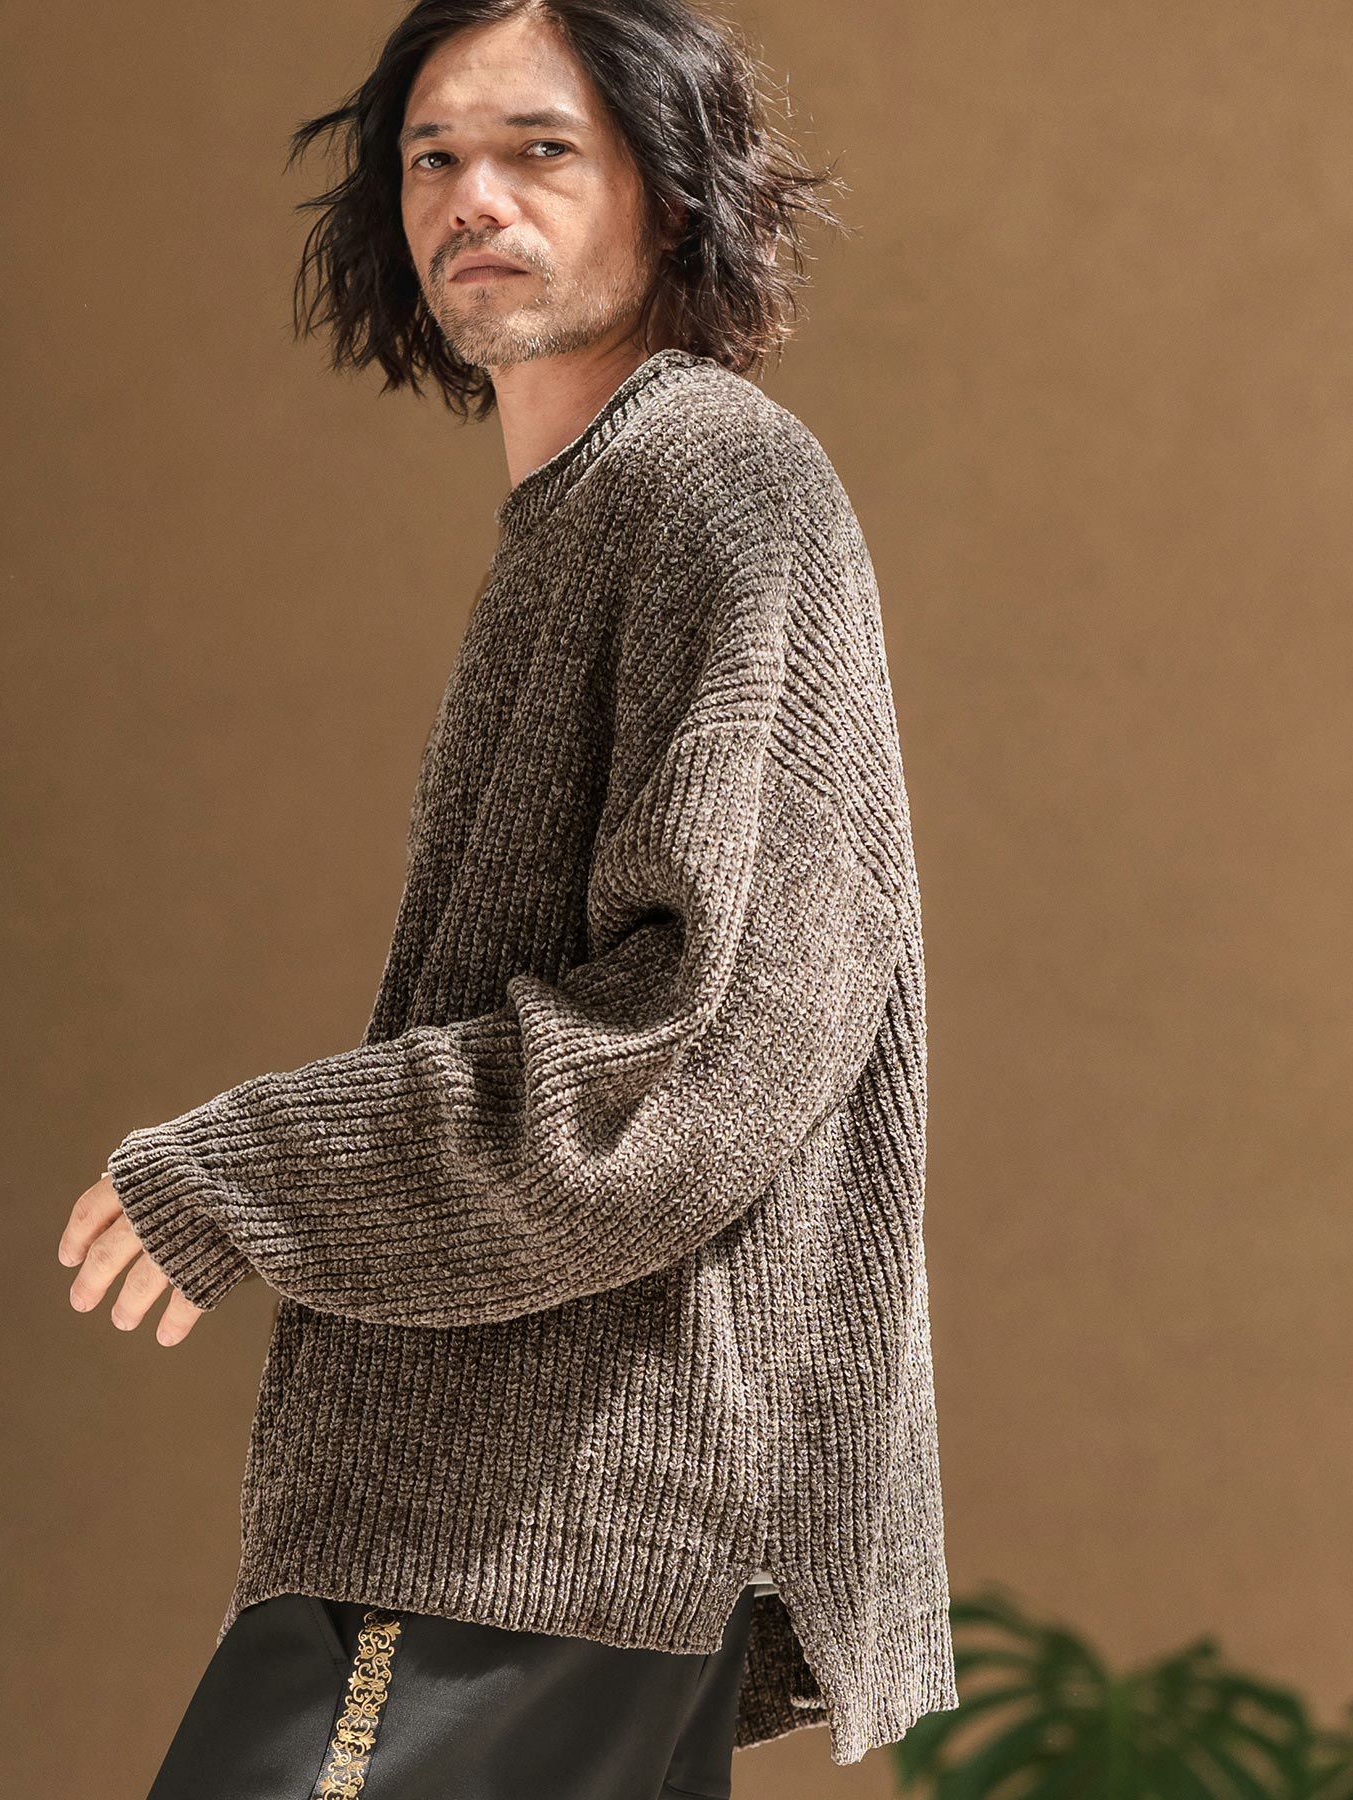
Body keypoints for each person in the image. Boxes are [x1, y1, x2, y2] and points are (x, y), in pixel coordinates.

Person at [57, 0, 960, 1792]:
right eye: (434, 158)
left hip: (530, 1521)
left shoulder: (715, 486)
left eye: (541, 149)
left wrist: (249, 1171)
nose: (474, 196)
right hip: (544, 1513)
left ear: (671, 195)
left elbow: (689, 1053)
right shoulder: (596, 508)